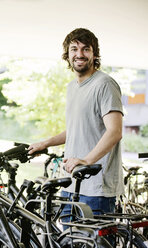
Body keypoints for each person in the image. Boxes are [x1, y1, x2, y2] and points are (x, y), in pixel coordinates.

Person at [28, 28, 124, 216]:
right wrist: (46, 143)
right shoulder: (73, 87)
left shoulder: (104, 84)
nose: (79, 54)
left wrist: (86, 160)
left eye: (85, 49)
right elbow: (77, 129)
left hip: (97, 189)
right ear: (67, 54)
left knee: (95, 244)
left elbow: (115, 131)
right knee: (67, 242)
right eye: (74, 49)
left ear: (94, 54)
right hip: (71, 183)